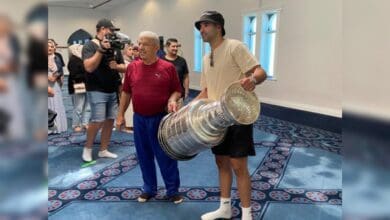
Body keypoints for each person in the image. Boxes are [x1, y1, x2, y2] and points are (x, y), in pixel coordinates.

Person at [194, 11, 267, 220]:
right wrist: (186, 108)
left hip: (237, 114)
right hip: (216, 118)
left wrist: (252, 79)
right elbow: (206, 91)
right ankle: (225, 208)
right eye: (200, 26)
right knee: (221, 162)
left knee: (238, 165)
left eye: (206, 24)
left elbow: (260, 72)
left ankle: (246, 213)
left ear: (219, 27)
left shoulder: (235, 46)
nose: (202, 29)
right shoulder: (207, 57)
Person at [116, 31, 183, 204]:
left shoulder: (167, 68)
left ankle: (172, 190)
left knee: (165, 156)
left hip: (161, 119)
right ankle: (149, 189)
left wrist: (172, 99)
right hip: (140, 120)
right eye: (139, 43)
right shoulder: (132, 67)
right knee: (144, 155)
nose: (140, 47)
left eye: (145, 44)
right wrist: (120, 114)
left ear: (156, 47)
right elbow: (126, 92)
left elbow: (177, 90)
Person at [81, 18, 126, 162]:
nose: (112, 33)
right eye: (111, 30)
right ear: (102, 29)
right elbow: (89, 67)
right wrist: (101, 49)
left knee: (109, 120)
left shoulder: (115, 46)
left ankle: (103, 149)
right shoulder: (89, 46)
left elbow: (121, 66)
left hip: (112, 88)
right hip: (96, 89)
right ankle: (87, 148)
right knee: (97, 119)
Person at [68, 44, 90, 132]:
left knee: (88, 106)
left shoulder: (83, 58)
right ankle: (76, 124)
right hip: (79, 85)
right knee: (79, 106)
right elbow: (75, 75)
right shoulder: (74, 60)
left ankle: (85, 123)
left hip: (88, 84)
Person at [48, 40, 67, 133]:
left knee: (56, 102)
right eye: (47, 46)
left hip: (55, 83)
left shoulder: (57, 58)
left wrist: (55, 77)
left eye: (51, 46)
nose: (49, 48)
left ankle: (57, 127)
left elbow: (60, 70)